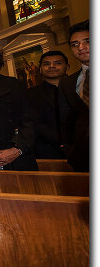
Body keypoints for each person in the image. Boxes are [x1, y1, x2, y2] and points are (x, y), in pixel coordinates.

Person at [59, 19, 90, 171]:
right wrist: (70, 152)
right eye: (75, 44)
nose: (81, 47)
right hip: (85, 159)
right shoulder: (68, 83)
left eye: (87, 41)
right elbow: (67, 121)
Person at [27, 50, 69, 159]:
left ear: (67, 67)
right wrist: (60, 140)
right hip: (47, 152)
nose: (52, 66)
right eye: (46, 64)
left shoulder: (80, 89)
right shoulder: (29, 94)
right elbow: (32, 123)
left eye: (57, 63)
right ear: (40, 69)